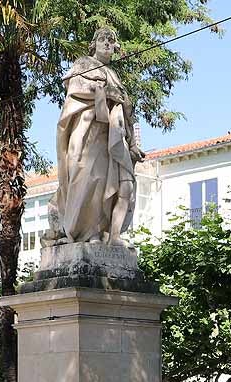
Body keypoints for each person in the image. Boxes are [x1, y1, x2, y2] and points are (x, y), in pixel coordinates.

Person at [47, 26, 145, 246]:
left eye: (112, 41)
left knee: (103, 182)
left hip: (108, 136)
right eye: (103, 39)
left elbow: (125, 112)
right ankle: (78, 230)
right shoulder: (83, 64)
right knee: (85, 176)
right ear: (93, 44)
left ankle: (97, 232)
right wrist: (104, 92)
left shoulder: (114, 74)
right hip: (86, 130)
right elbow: (74, 86)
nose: (108, 44)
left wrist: (131, 142)